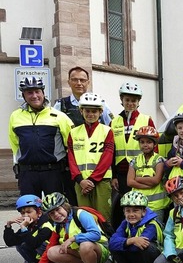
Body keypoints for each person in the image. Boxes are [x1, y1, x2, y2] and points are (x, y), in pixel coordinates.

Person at [9, 76, 73, 198]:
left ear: (43, 93)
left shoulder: (59, 116)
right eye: (29, 93)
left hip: (53, 172)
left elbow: (70, 145)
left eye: (37, 91)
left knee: (56, 210)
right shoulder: (15, 116)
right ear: (24, 96)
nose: (34, 96)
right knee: (29, 210)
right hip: (27, 173)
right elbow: (15, 144)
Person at [28, 192, 110, 263]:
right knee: (51, 252)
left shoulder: (81, 214)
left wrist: (73, 239)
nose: (56, 215)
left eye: (58, 209)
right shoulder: (58, 225)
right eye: (52, 213)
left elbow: (96, 235)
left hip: (99, 250)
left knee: (85, 245)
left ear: (65, 206)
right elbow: (48, 250)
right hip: (80, 252)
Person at [110, 82, 155, 226]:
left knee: (139, 204)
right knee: (125, 205)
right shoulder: (114, 121)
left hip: (140, 170)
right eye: (127, 100)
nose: (130, 103)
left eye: (134, 100)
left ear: (138, 102)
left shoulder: (146, 119)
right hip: (121, 173)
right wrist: (114, 176)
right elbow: (111, 150)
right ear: (122, 100)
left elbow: (154, 146)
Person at [67, 92, 115, 223]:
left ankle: (105, 242)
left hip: (101, 181)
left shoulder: (107, 131)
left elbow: (107, 157)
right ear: (81, 111)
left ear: (100, 112)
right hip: (81, 182)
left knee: (103, 216)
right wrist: (80, 179)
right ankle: (86, 243)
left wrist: (92, 180)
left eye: (94, 111)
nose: (90, 114)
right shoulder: (73, 132)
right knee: (84, 216)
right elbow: (71, 158)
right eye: (87, 111)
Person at [4, 195, 65, 263]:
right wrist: (8, 226)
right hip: (41, 251)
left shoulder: (46, 225)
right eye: (22, 213)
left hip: (57, 251)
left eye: (29, 212)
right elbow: (10, 242)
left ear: (39, 212)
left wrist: (24, 229)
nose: (25, 216)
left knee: (40, 244)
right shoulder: (29, 225)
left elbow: (34, 244)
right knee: (20, 245)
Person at [109, 191, 164, 263]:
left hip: (153, 259)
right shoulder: (125, 223)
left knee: (146, 246)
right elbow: (112, 242)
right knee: (114, 246)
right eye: (128, 211)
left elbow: (140, 245)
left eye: (135, 210)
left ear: (144, 212)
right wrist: (132, 240)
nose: (131, 214)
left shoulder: (152, 224)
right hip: (137, 257)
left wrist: (124, 243)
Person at [152, 176, 183, 263]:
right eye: (175, 195)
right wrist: (170, 253)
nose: (179, 197)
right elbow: (168, 234)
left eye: (182, 193)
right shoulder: (173, 213)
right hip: (176, 251)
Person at [127, 126, 170, 222]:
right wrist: (147, 185)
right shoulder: (134, 160)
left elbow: (156, 180)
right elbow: (129, 182)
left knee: (156, 229)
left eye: (149, 142)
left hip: (156, 206)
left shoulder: (159, 160)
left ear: (155, 144)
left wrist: (137, 179)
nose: (145, 145)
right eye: (142, 142)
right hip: (138, 204)